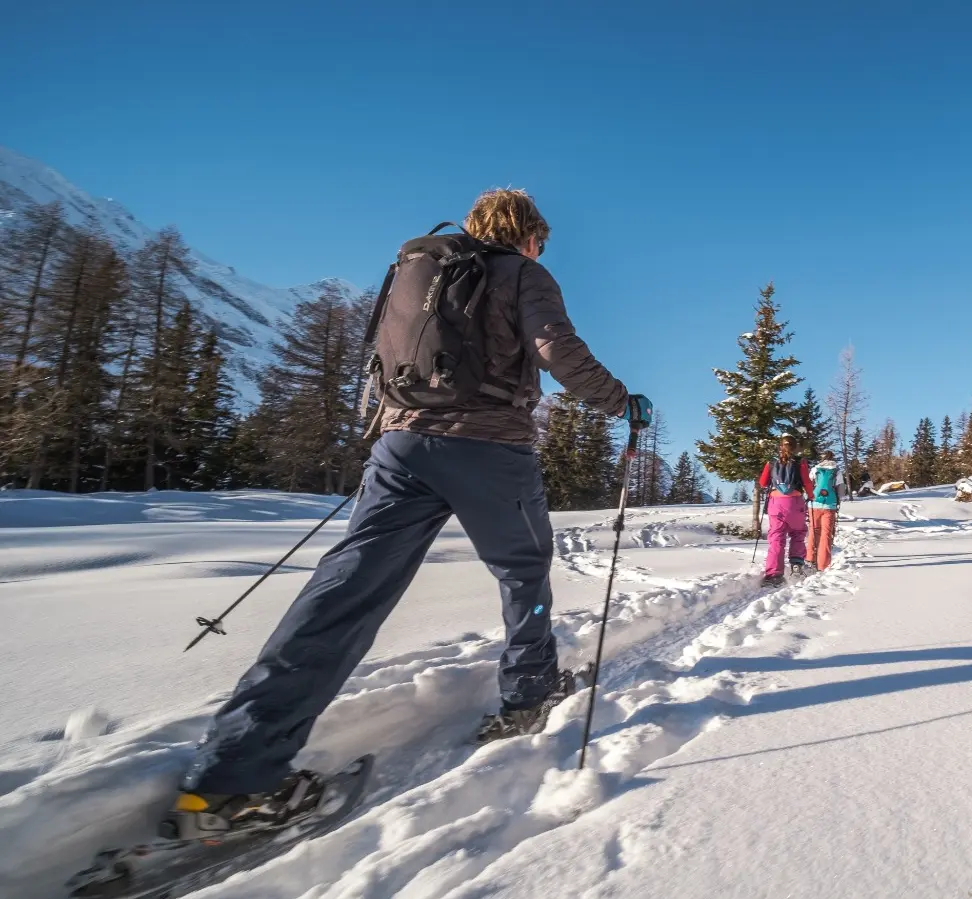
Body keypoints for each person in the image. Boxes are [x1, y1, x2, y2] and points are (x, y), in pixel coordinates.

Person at [162, 188, 651, 842]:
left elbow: (382, 361)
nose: (542, 249)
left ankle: (231, 776)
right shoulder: (522, 271)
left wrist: (399, 438)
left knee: (344, 593)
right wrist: (621, 402)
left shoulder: (422, 273)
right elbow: (554, 348)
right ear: (527, 234)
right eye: (542, 240)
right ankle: (530, 691)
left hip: (401, 449)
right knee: (523, 570)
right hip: (489, 450)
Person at [757, 435, 812, 586]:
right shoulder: (800, 462)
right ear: (794, 447)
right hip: (795, 502)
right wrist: (811, 495)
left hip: (776, 503)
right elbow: (807, 482)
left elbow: (762, 483)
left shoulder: (772, 463)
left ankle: (774, 575)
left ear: (780, 446)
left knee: (776, 537)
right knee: (797, 533)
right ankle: (796, 565)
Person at [806, 450, 841, 570]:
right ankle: (823, 564)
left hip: (814, 503)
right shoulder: (836, 470)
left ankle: (810, 558)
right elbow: (841, 489)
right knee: (826, 534)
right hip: (829, 505)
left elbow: (808, 484)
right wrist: (838, 500)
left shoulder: (815, 469)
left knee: (813, 530)